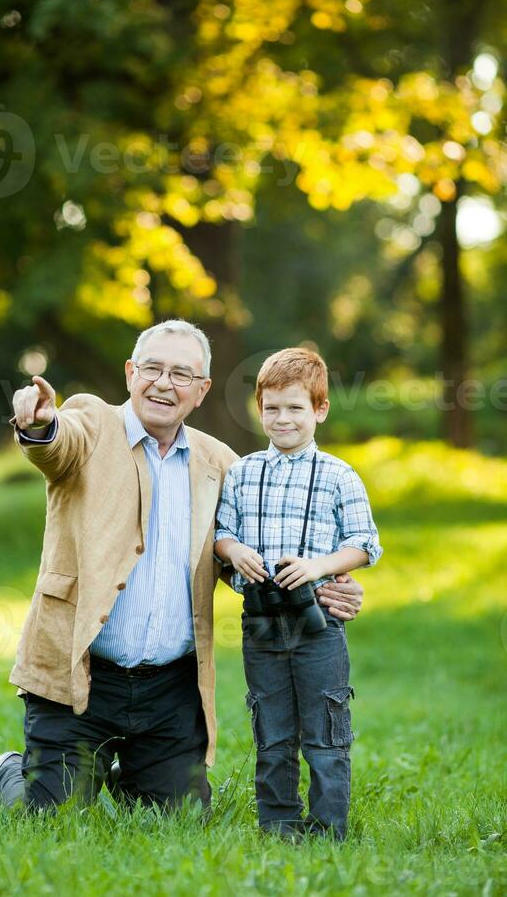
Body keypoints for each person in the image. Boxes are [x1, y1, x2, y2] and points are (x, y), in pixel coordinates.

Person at [0, 322, 365, 813]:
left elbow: (261, 549)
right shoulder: (91, 422)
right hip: (80, 679)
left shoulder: (223, 464)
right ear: (129, 373)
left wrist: (333, 585)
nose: (163, 383)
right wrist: (38, 424)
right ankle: (15, 771)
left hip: (169, 691)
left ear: (202, 390)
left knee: (181, 816)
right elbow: (57, 443)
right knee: (49, 814)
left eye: (182, 374)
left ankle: (123, 770)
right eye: (152, 368)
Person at [215, 347, 382, 841]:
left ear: (320, 410)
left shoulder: (337, 474)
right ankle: (279, 824)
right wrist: (234, 550)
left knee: (326, 729)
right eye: (272, 408)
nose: (282, 418)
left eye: (295, 408)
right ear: (258, 408)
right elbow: (221, 533)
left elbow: (364, 543)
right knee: (272, 728)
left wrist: (319, 566)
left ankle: (329, 828)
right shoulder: (243, 473)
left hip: (319, 625)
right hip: (260, 621)